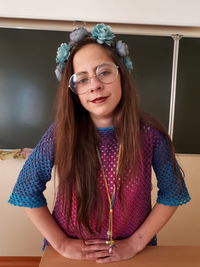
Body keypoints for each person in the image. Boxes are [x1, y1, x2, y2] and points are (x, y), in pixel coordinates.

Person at [8, 23, 191, 263]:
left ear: (121, 74)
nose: (94, 84)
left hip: (132, 252)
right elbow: (26, 191)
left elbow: (173, 193)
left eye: (104, 72)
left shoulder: (149, 134)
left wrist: (135, 243)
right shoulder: (61, 133)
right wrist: (61, 243)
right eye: (82, 79)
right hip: (73, 253)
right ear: (73, 91)